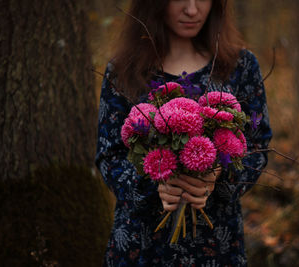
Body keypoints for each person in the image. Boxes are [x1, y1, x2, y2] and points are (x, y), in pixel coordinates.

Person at [95, 0, 272, 266]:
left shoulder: (240, 66)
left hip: (216, 244)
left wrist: (220, 176)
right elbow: (109, 155)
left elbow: (258, 145)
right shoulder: (123, 70)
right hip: (142, 243)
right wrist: (154, 184)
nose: (192, 10)